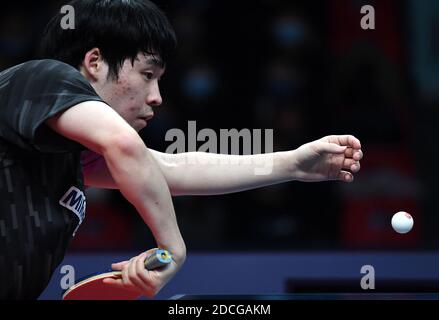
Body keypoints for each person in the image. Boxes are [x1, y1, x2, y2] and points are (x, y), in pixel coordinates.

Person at [0, 0, 363, 299]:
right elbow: (126, 147)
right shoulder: (42, 77)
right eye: (147, 75)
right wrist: (172, 247)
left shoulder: (70, 155)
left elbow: (170, 168)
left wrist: (292, 164)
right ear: (94, 63)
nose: (157, 97)